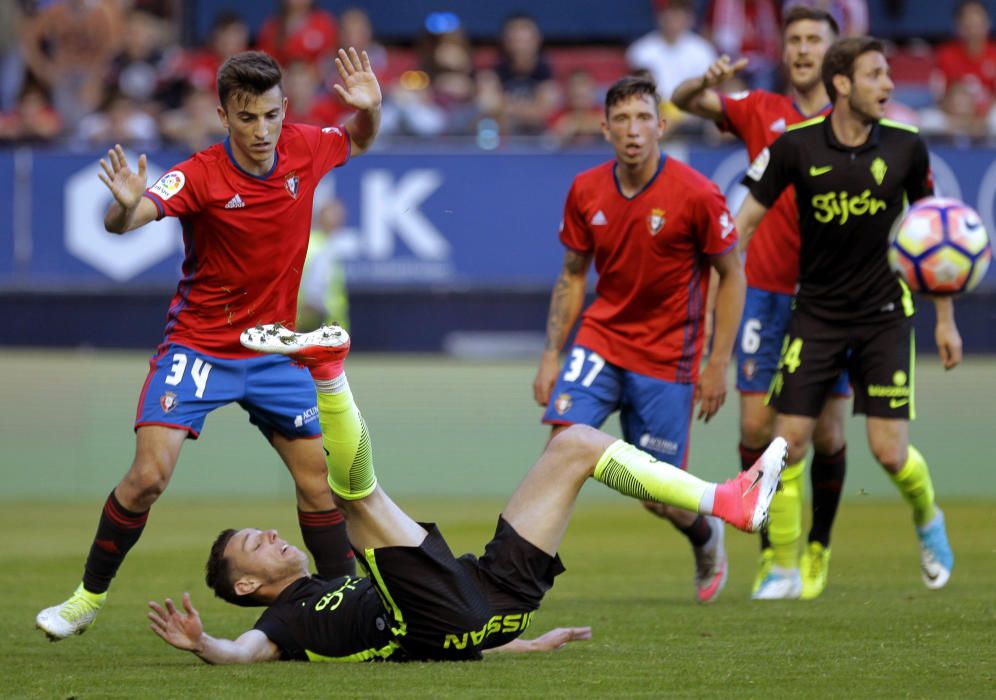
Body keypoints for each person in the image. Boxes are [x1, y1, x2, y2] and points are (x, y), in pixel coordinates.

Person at [148, 323, 787, 664]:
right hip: (435, 612)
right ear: (246, 587)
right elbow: (242, 654)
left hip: (492, 600)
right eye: (255, 545)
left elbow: (461, 627)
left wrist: (525, 641)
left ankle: (726, 501)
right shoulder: (282, 621)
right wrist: (204, 645)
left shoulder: (328, 580)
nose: (273, 534)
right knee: (355, 501)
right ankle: (329, 371)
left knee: (577, 444)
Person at [36, 47, 383, 641]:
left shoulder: (306, 145)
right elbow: (133, 215)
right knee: (148, 477)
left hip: (274, 349)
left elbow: (360, 138)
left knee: (319, 483)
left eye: (271, 115)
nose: (262, 131)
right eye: (246, 118)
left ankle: (345, 608)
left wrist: (372, 109)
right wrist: (120, 209)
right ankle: (86, 598)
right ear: (223, 116)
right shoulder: (199, 174)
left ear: (285, 109)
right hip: (199, 347)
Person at [734, 36, 962, 595]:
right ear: (842, 84)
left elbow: (940, 241)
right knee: (788, 441)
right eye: (876, 75)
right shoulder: (795, 147)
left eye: (888, 75)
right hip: (815, 313)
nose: (888, 85)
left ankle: (928, 518)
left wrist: (945, 320)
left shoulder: (908, 149)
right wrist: (721, 278)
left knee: (889, 452)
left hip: (885, 313)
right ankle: (783, 567)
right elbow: (741, 226)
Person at [532, 74, 746, 605]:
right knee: (558, 450)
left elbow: (732, 276)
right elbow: (573, 273)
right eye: (622, 119)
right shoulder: (585, 189)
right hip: (601, 340)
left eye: (644, 118)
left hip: (668, 353)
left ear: (662, 126)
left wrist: (718, 363)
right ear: (605, 128)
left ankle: (705, 534)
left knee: (660, 495)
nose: (633, 130)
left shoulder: (697, 194)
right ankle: (518, 584)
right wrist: (552, 353)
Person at [671, 7, 847, 600]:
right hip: (764, 293)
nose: (801, 49)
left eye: (813, 40)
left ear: (834, 51)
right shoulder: (762, 110)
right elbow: (684, 100)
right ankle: (775, 556)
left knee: (824, 435)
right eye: (793, 39)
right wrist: (704, 82)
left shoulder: (852, 121)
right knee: (756, 426)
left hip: (828, 296)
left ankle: (817, 540)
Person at [626, 0, 717, 101]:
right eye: (669, 12)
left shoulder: (703, 50)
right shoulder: (640, 50)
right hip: (655, 110)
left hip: (692, 110)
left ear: (690, 18)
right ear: (659, 16)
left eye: (679, 13)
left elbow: (707, 90)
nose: (673, 19)